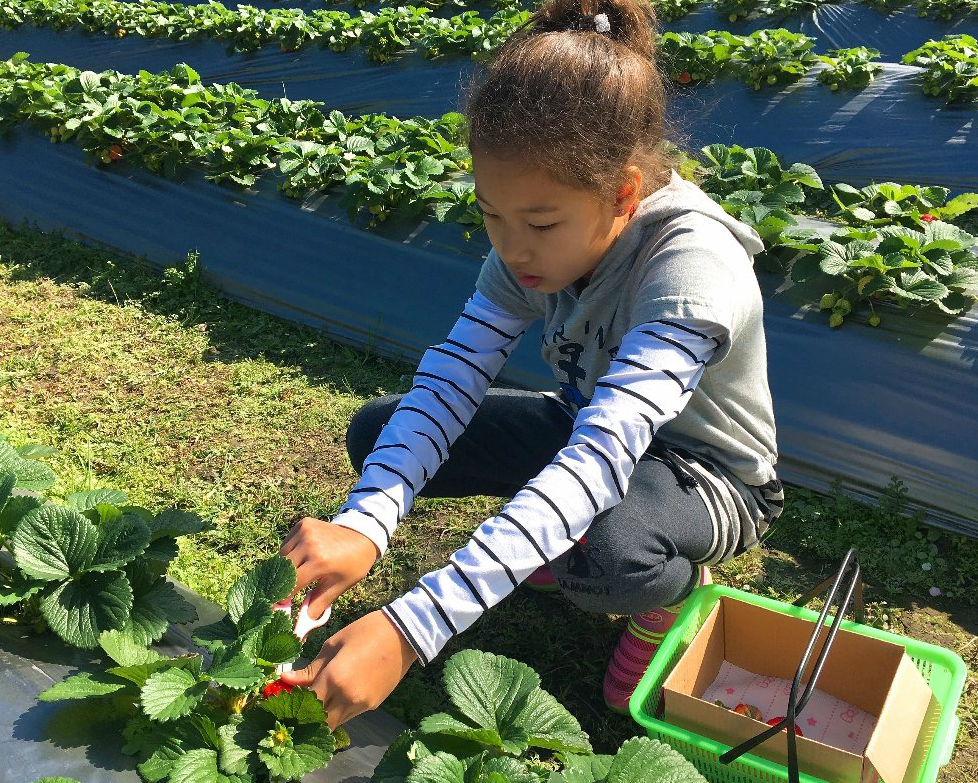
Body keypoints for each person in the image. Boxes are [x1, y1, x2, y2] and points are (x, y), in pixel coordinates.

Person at [278, 0, 783, 729]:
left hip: (707, 475)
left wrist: (411, 627)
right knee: (380, 430)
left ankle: (670, 588)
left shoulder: (692, 265)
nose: (513, 250)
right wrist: (367, 520)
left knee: (609, 552)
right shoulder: (530, 244)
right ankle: (561, 534)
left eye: (540, 223)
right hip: (589, 423)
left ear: (623, 195)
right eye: (491, 214)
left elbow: (609, 450)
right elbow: (456, 370)